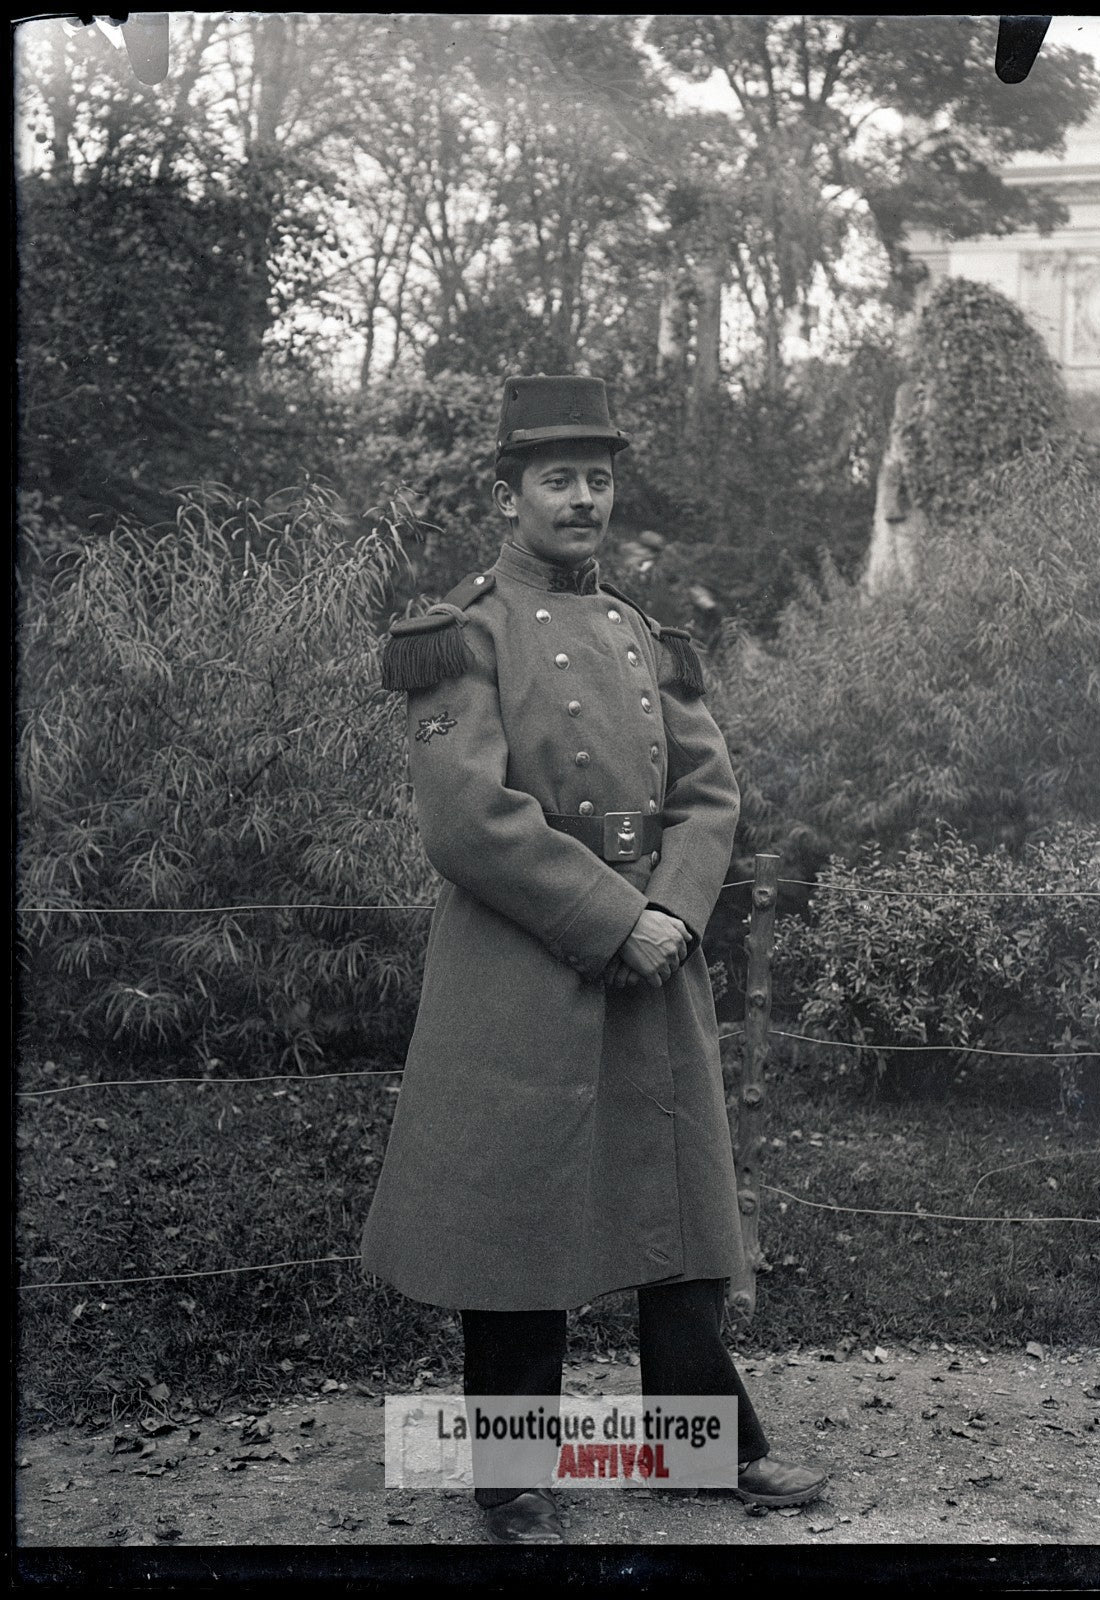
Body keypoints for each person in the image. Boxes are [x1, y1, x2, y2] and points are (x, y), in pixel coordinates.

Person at [361, 374, 827, 1544]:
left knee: (677, 1209)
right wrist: (611, 920)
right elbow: (466, 819)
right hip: (525, 960)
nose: (583, 499)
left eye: (598, 479)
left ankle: (700, 1446)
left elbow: (709, 795)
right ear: (508, 494)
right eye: (558, 479)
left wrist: (666, 915)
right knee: (518, 1217)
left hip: (655, 961)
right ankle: (511, 1474)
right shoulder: (463, 634)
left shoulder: (638, 632)